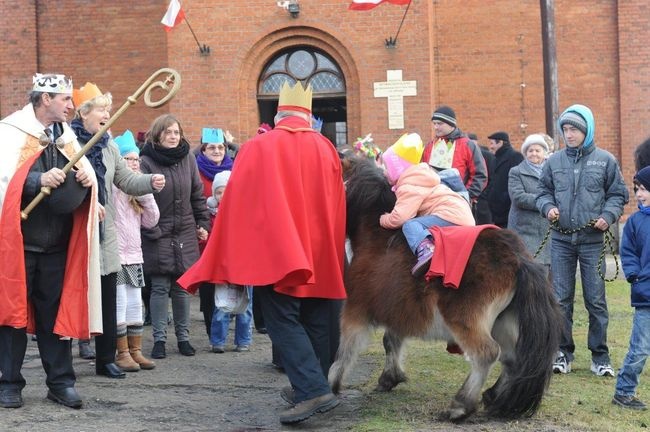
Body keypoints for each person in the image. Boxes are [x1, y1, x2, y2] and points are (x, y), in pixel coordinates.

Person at [178, 82, 345, 425]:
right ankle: (311, 384)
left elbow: (238, 201)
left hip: (279, 252)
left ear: (278, 115)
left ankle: (312, 389)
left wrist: (234, 251)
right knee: (315, 318)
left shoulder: (259, 146)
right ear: (308, 116)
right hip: (320, 249)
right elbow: (337, 203)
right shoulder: (326, 147)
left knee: (281, 319)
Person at [0, 73, 101, 409]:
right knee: (11, 316)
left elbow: (81, 178)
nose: (71, 106)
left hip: (57, 245)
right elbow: (4, 180)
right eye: (65, 100)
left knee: (54, 318)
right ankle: (9, 383)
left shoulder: (68, 138)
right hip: (20, 246)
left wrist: (86, 180)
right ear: (45, 99)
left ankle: (60, 382)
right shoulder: (10, 132)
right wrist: (35, 180)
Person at [71, 83, 164, 379]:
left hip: (105, 234)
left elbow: (126, 181)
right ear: (84, 113)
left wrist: (150, 181)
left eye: (109, 111)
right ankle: (65, 360)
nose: (107, 115)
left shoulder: (109, 147)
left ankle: (106, 359)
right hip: (76, 232)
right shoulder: (67, 143)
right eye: (101, 110)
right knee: (77, 295)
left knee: (110, 299)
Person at [536, 104, 628, 376]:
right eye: (565, 129)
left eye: (574, 129)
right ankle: (562, 352)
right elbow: (542, 192)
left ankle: (600, 356)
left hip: (592, 241)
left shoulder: (605, 160)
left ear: (586, 131)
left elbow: (618, 195)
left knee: (595, 300)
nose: (569, 134)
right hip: (561, 240)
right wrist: (547, 207)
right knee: (560, 299)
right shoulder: (553, 162)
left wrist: (608, 215)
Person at [140, 114, 211, 360]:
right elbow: (142, 200)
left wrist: (202, 222)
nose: (173, 136)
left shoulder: (188, 158)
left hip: (184, 231)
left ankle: (183, 337)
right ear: (158, 134)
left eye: (176, 132)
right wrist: (151, 229)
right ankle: (159, 339)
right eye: (168, 132)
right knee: (159, 287)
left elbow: (197, 195)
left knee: (182, 289)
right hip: (157, 232)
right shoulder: (146, 161)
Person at [379, 133, 475, 277]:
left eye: (386, 167)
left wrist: (383, 219)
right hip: (459, 212)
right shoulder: (418, 177)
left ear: (396, 168)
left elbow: (400, 217)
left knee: (410, 225)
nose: (384, 172)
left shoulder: (409, 184)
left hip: (451, 215)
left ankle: (426, 250)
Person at [112, 130, 160, 372]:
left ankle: (135, 350)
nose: (133, 163)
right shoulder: (114, 187)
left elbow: (151, 221)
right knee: (119, 303)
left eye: (135, 159)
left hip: (134, 255)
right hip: (117, 255)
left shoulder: (136, 189)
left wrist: (145, 193)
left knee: (134, 303)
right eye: (128, 159)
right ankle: (121, 352)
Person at [612, 166, 650, 411]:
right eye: (637, 189)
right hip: (646, 295)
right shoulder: (635, 222)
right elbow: (628, 253)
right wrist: (635, 276)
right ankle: (624, 392)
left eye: (645, 189)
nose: (639, 194)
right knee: (640, 348)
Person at [206, 171, 254, 354]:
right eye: (219, 192)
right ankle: (217, 340)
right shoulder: (212, 215)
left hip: (244, 267)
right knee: (221, 305)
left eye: (226, 191)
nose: (223, 196)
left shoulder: (245, 212)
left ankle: (243, 340)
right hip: (223, 268)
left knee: (245, 306)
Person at [195, 127, 234, 337]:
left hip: (230, 235)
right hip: (207, 234)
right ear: (203, 150)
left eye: (220, 147)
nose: (217, 151)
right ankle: (212, 326)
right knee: (209, 283)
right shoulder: (197, 171)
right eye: (212, 147)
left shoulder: (233, 168)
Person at [421, 105, 488, 206]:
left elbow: (480, 174)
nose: (435, 127)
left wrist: (467, 196)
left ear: (451, 124)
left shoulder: (467, 145)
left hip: (459, 203)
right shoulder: (430, 146)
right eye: (434, 124)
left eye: (439, 124)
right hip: (433, 202)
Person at [507, 134, 551, 272]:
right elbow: (519, 197)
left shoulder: (552, 172)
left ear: (545, 153)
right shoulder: (516, 172)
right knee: (529, 270)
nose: (534, 154)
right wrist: (545, 202)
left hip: (547, 230)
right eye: (530, 150)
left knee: (548, 274)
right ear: (525, 153)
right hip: (524, 230)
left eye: (538, 150)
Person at [486, 131, 523, 228]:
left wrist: (505, 198)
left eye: (492, 143)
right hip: (496, 211)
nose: (490, 147)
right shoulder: (495, 159)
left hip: (508, 209)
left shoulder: (515, 156)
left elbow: (519, 181)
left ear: (500, 142)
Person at [468, 133, 494, 224]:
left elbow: (491, 177)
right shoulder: (466, 156)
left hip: (483, 199)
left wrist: (484, 195)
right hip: (469, 197)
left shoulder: (487, 156)